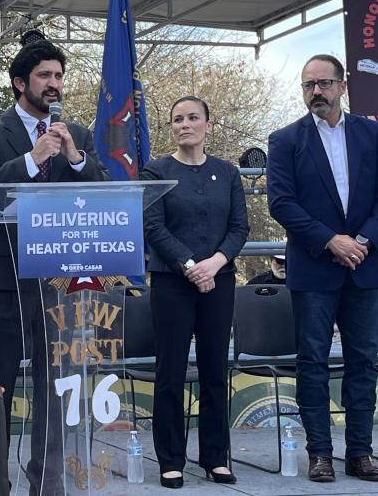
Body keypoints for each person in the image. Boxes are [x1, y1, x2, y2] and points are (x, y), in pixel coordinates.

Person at [0, 30, 109, 495]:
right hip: (3, 281)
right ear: (18, 82)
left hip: (59, 282)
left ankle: (48, 483)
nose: (54, 84)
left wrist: (76, 157)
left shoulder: (77, 133)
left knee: (55, 390)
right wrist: (31, 158)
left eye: (59, 76)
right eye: (44, 76)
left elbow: (104, 189)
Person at [266, 54, 378, 483]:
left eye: (324, 83)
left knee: (363, 360)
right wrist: (330, 240)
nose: (316, 92)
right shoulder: (285, 140)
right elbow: (281, 203)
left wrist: (360, 241)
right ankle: (320, 454)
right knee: (313, 362)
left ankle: (360, 453)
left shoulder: (372, 133)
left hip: (364, 264)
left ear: (343, 86)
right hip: (314, 266)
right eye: (308, 85)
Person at [139, 96, 249, 488]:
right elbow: (153, 227)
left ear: (207, 123)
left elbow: (239, 228)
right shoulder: (157, 171)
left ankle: (215, 458)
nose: (185, 124)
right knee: (170, 370)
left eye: (192, 118)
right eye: (177, 119)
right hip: (172, 283)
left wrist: (214, 264)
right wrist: (189, 267)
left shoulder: (228, 172)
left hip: (219, 280)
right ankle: (170, 459)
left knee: (215, 370)